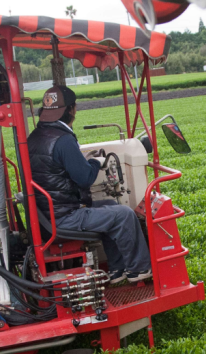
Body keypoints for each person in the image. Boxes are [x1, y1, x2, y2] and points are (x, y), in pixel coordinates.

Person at [27, 85, 151, 284]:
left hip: (49, 215)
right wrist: (95, 162)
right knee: (124, 214)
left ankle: (117, 271)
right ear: (71, 110)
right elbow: (85, 178)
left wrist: (83, 161)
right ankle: (139, 269)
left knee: (111, 207)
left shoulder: (35, 137)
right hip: (64, 217)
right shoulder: (63, 140)